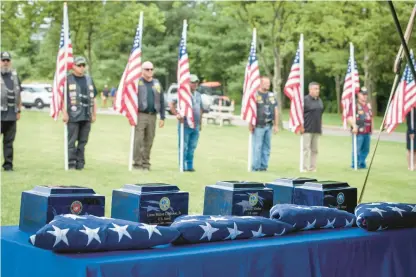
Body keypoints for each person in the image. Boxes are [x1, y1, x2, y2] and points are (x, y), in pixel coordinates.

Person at [63, 56, 98, 170]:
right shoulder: (68, 79)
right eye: (79, 65)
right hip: (73, 115)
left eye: (83, 65)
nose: (82, 68)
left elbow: (94, 97)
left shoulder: (89, 79)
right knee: (72, 141)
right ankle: (71, 163)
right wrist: (64, 113)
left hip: (86, 115)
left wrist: (94, 113)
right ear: (73, 66)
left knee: (83, 141)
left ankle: (80, 163)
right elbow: (61, 98)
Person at [132, 61, 165, 171]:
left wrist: (163, 116)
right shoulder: (137, 83)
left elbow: (161, 100)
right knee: (138, 140)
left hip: (153, 115)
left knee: (149, 140)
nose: (150, 71)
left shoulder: (156, 83)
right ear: (142, 70)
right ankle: (137, 163)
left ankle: (146, 163)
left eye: (151, 69)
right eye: (147, 69)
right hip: (141, 114)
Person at [169, 74, 203, 172]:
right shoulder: (183, 94)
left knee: (192, 146)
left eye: (196, 82)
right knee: (183, 146)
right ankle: (182, 166)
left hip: (195, 125)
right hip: (185, 125)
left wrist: (200, 123)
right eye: (192, 82)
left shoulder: (198, 94)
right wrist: (176, 114)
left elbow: (200, 109)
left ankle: (189, 165)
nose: (195, 84)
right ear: (188, 83)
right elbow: (171, 104)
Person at [249, 76, 279, 171]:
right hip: (258, 125)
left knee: (267, 147)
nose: (268, 85)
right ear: (260, 84)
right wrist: (250, 123)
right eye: (266, 83)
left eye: (269, 84)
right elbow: (251, 110)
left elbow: (276, 110)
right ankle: (256, 167)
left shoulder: (271, 95)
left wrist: (276, 125)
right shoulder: (255, 95)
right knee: (257, 147)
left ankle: (264, 166)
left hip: (268, 125)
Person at [1, 52, 22, 171]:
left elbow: (19, 94)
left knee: (9, 142)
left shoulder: (14, 76)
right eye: (3, 60)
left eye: (7, 60)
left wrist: (19, 110)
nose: (5, 63)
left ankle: (8, 165)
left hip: (11, 115)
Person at [299, 82, 324, 172]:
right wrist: (301, 126)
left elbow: (320, 114)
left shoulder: (319, 100)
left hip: (316, 129)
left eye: (318, 89)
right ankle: (304, 167)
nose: (318, 91)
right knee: (306, 149)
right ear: (310, 90)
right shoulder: (305, 100)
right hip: (307, 129)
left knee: (315, 150)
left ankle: (312, 167)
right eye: (315, 89)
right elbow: (299, 114)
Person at [347, 87, 373, 169]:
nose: (365, 96)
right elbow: (349, 117)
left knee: (366, 149)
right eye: (363, 94)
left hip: (367, 131)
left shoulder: (368, 105)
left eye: (366, 94)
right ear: (358, 94)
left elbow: (370, 117)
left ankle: (362, 163)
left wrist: (372, 128)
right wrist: (354, 126)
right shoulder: (355, 105)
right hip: (358, 130)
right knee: (357, 149)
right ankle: (355, 164)